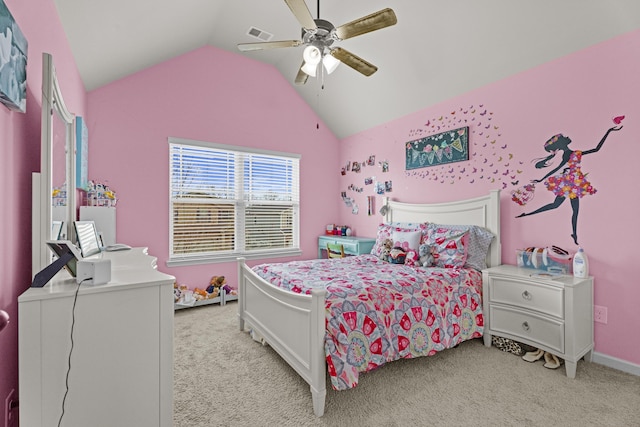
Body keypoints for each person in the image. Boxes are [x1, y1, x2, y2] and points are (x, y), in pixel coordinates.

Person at [516, 125, 622, 245]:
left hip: (574, 184)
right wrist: (541, 179)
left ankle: (574, 234)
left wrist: (609, 131)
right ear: (561, 144)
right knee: (563, 207)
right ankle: (530, 214)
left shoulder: (575, 153)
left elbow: (596, 149)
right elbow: (558, 168)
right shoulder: (568, 154)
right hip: (570, 184)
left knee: (566, 208)